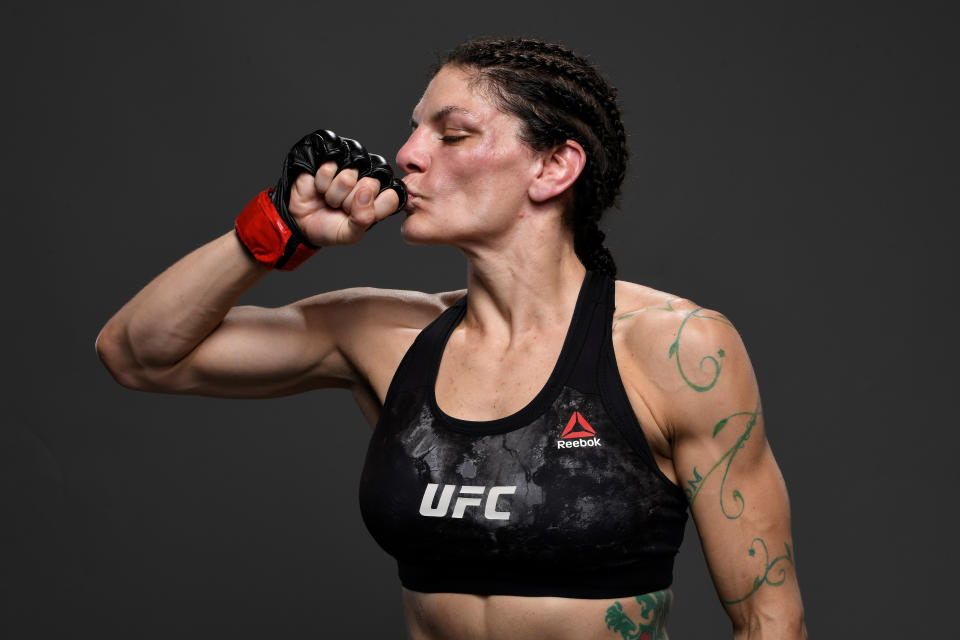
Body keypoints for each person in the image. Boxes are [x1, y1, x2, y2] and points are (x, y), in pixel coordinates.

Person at [97, 38, 806, 640]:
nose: (405, 155)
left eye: (452, 133)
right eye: (412, 130)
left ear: (553, 166)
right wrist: (277, 226)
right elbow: (138, 353)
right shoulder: (386, 335)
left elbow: (771, 620)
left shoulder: (674, 349)